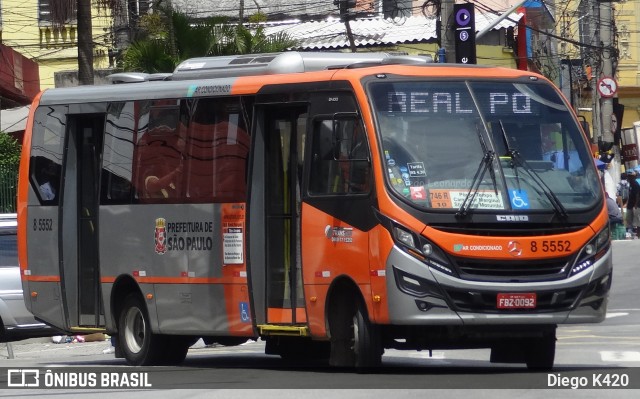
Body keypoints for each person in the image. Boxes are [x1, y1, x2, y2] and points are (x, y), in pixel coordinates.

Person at [625, 168, 640, 238]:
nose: (627, 177)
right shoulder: (630, 184)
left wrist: (636, 204)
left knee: (636, 220)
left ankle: (637, 234)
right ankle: (630, 232)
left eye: (629, 176)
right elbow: (630, 195)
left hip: (635, 205)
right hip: (630, 205)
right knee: (629, 219)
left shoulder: (635, 184)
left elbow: (637, 194)